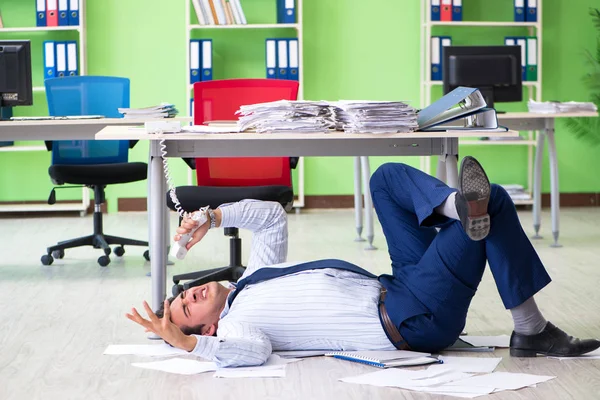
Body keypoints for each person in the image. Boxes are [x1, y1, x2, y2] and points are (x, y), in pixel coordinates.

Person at [126, 157, 600, 368]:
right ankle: (531, 329)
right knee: (495, 201)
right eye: (187, 309)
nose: (190, 294)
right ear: (207, 330)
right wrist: (185, 346)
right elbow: (250, 355)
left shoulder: (251, 281)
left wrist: (214, 214)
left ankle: (458, 207)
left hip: (397, 283)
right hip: (414, 317)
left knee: (386, 177)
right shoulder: (236, 331)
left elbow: (271, 219)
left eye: (184, 294)